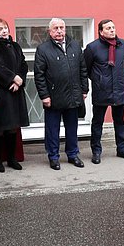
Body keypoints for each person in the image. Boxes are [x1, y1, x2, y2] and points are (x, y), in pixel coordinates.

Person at [34, 18, 89, 170]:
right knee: (53, 129)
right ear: (50, 31)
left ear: (65, 30)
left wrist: (84, 90)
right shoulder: (43, 49)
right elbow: (39, 75)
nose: (59, 31)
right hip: (53, 97)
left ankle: (73, 154)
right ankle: (53, 156)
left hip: (73, 96)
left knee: (72, 127)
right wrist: (44, 96)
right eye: (56, 28)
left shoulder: (75, 46)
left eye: (61, 27)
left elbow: (83, 70)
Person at [84, 19, 124, 164]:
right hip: (102, 90)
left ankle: (122, 149)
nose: (112, 30)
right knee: (97, 122)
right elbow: (86, 69)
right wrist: (100, 80)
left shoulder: (122, 44)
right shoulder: (92, 48)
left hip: (119, 89)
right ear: (101, 31)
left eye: (113, 27)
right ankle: (96, 151)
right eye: (108, 28)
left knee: (120, 121)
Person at [0, 18, 29, 172]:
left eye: (5, 28)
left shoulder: (15, 46)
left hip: (16, 90)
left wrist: (19, 80)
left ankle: (12, 158)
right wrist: (11, 78)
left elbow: (23, 64)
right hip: (1, 91)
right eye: (0, 28)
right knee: (0, 128)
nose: (4, 31)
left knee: (13, 128)